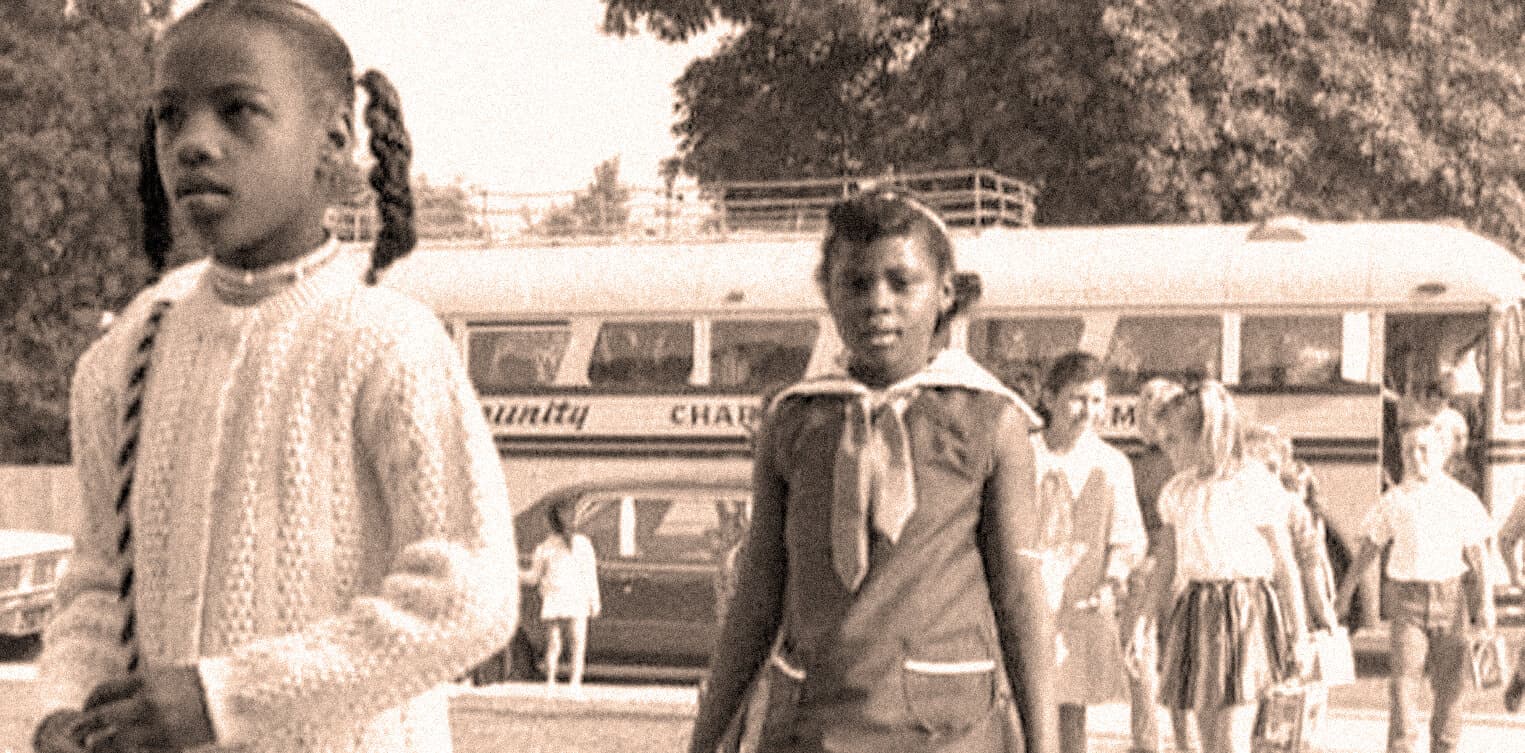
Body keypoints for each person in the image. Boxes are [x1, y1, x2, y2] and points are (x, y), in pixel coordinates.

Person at [30, 3, 518, 752]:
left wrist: (225, 697)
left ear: (334, 141)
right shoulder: (130, 348)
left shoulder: (386, 341)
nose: (193, 143)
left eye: (238, 111)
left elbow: (470, 593)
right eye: (169, 116)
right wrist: (64, 709)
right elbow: (98, 581)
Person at [687, 190, 1058, 753]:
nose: (877, 302)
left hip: (945, 731)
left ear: (945, 293)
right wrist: (707, 737)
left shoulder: (991, 420)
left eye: (901, 282)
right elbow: (757, 596)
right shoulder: (794, 422)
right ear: (828, 297)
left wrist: (1045, 745)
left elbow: (1020, 599)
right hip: (811, 729)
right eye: (855, 284)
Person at [1131, 382, 1309, 753]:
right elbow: (1165, 566)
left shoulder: (1252, 484)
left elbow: (1285, 565)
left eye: (1175, 440)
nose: (1167, 450)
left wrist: (1299, 633)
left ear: (1206, 436)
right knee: (1205, 740)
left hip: (1244, 612)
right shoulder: (1178, 492)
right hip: (1197, 610)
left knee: (1231, 742)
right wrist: (1142, 622)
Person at [1334, 406, 1496, 753]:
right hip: (1407, 601)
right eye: (1409, 451)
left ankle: (1445, 746)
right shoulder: (1393, 501)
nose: (1416, 458)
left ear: (1440, 453)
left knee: (1450, 688)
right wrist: (1345, 592)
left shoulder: (1460, 498)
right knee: (1403, 684)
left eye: (1424, 450)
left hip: (1451, 599)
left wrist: (1486, 605)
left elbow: (1478, 556)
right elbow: (1369, 548)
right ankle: (1403, 746)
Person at [1031, 352, 1147, 753]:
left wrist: (1112, 579)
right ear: (1048, 398)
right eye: (1078, 398)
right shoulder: (1026, 455)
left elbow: (1127, 535)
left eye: (1097, 400)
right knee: (1024, 704)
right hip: (1028, 599)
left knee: (1070, 711)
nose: (1089, 410)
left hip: (1080, 603)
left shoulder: (1112, 464)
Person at [1123, 379, 1198, 753]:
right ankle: (1169, 743)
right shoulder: (1179, 460)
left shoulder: (1149, 465)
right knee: (1162, 661)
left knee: (1156, 660)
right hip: (1165, 565)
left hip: (1163, 566)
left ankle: (1161, 742)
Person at [1242, 425, 1340, 637]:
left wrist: (1323, 612)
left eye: (1271, 468)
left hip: (1267, 611)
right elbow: (1310, 567)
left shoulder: (1288, 507)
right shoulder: (1289, 507)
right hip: (1264, 611)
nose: (1265, 476)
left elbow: (1310, 563)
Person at [525, 499, 600, 697]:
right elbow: (590, 574)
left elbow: (533, 578)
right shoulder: (581, 544)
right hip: (573, 596)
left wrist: (512, 573)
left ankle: (552, 683)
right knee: (576, 643)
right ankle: (573, 685)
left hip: (556, 595)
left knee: (555, 643)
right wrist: (594, 599)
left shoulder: (545, 547)